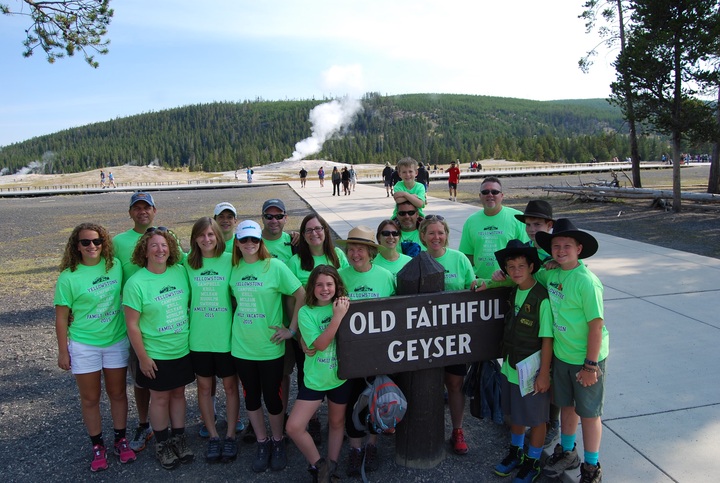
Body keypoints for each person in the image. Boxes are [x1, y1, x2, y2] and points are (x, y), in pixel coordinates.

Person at [54, 223, 135, 472]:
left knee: (118, 393)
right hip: (84, 344)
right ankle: (97, 444)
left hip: (115, 340)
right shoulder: (68, 276)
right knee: (90, 398)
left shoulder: (115, 266)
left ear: (104, 243)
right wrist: (63, 350)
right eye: (86, 242)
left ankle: (120, 439)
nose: (92, 246)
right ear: (76, 246)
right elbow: (61, 317)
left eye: (97, 242)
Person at [534, 219, 608, 483]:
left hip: (586, 357)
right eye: (556, 246)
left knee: (589, 413)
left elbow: (596, 327)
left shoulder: (586, 281)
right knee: (566, 406)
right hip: (562, 355)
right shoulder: (551, 273)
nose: (561, 250)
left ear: (579, 248)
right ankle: (567, 451)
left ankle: (591, 466)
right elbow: (530, 275)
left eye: (567, 246)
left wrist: (590, 366)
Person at [229, 220, 305, 473]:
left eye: (254, 240)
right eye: (244, 240)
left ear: (260, 242)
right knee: (251, 397)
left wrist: (291, 329)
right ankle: (262, 442)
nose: (249, 244)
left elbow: (301, 294)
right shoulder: (233, 268)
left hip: (270, 346)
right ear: (237, 243)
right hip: (242, 346)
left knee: (273, 398)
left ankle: (277, 440)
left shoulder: (275, 266)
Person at [123, 226, 195, 471]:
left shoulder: (179, 271)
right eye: (153, 245)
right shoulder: (136, 283)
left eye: (164, 245)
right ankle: (163, 443)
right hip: (155, 353)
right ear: (144, 250)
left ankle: (179, 438)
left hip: (181, 348)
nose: (159, 249)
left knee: (178, 394)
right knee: (160, 398)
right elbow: (132, 325)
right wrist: (142, 357)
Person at [490, 240, 553, 483]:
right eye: (511, 266)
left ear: (531, 267)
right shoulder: (514, 290)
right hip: (511, 366)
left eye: (521, 266)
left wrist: (544, 374)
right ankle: (516, 452)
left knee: (536, 419)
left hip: (533, 370)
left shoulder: (541, 298)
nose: (516, 271)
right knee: (516, 414)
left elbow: (547, 340)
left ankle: (533, 461)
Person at [336, 226, 395, 476]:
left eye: (360, 249)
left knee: (374, 399)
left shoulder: (385, 276)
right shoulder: (339, 276)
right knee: (351, 401)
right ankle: (355, 448)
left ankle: (372, 444)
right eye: (351, 249)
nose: (355, 253)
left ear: (371, 252)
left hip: (378, 353)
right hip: (349, 354)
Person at [286, 265, 351, 483]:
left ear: (337, 285)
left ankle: (331, 467)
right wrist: (337, 317)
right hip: (315, 379)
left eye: (330, 284)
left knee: (336, 422)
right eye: (319, 284)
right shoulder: (306, 312)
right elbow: (321, 344)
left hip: (340, 376)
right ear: (312, 287)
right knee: (294, 426)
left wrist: (341, 311)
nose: (325, 289)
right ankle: (319, 464)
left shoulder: (345, 305)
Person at [418, 215, 475, 455]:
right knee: (426, 384)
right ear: (422, 236)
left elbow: (473, 288)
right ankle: (425, 431)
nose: (436, 237)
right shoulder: (416, 261)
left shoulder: (459, 259)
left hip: (454, 336)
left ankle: (458, 429)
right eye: (431, 233)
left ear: (447, 234)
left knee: (454, 383)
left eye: (440, 232)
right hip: (424, 338)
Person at [184, 217, 239, 463]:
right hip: (199, 338)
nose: (206, 239)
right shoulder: (187, 263)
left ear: (217, 236)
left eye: (211, 235)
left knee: (230, 388)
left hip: (225, 338)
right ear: (195, 238)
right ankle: (214, 435)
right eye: (201, 235)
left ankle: (230, 435)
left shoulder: (230, 261)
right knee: (204, 389)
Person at [112, 191, 157, 452]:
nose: (142, 211)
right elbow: (101, 272)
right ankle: (144, 423)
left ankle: (173, 423)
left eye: (146, 207)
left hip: (164, 319)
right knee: (140, 376)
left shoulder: (166, 236)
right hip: (134, 321)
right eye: (137, 208)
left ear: (154, 210)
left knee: (170, 375)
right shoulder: (118, 242)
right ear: (130, 212)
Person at [458, 176, 528, 279]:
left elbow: (526, 252)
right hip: (481, 282)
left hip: (510, 281)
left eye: (495, 192)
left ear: (502, 196)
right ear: (480, 196)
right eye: (485, 192)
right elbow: (467, 256)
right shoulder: (471, 221)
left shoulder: (517, 218)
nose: (490, 195)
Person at [287, 214, 349, 287]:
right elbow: (290, 296)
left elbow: (349, 282)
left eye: (318, 228)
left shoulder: (338, 254)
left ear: (325, 231)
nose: (313, 233)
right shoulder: (294, 262)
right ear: (303, 235)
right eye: (309, 230)